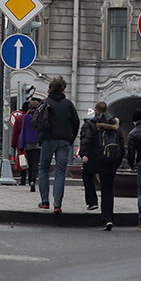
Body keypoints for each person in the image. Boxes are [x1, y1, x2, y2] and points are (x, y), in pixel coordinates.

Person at [36, 76, 80, 213]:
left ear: (50, 88)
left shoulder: (44, 102)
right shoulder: (68, 104)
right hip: (64, 141)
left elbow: (37, 122)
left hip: (47, 140)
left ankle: (44, 201)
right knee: (60, 172)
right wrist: (70, 139)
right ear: (63, 89)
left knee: (43, 169)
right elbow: (76, 122)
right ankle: (57, 205)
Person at [79, 101, 123, 230]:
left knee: (87, 175)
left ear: (96, 110)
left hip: (95, 160)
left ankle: (92, 202)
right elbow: (120, 142)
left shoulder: (91, 124)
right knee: (108, 189)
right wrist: (117, 161)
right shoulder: (115, 124)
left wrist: (84, 154)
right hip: (110, 161)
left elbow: (85, 140)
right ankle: (108, 219)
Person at [16, 99, 41, 190]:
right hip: (38, 144)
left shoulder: (26, 117)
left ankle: (30, 180)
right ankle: (33, 181)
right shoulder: (40, 117)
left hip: (28, 144)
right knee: (35, 164)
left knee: (30, 164)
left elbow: (23, 132)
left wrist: (21, 145)